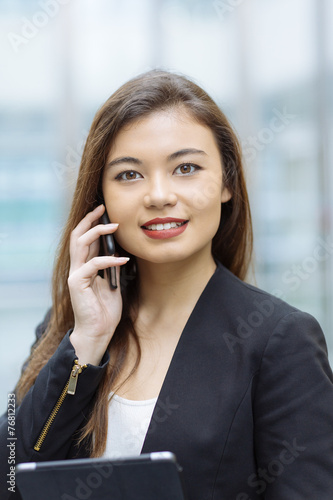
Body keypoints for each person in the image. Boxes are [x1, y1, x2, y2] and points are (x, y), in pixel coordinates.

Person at [1, 69, 333, 500]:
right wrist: (86, 342)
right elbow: (10, 479)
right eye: (129, 175)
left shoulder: (280, 341)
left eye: (186, 168)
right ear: (100, 196)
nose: (158, 195)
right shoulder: (71, 325)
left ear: (227, 183)